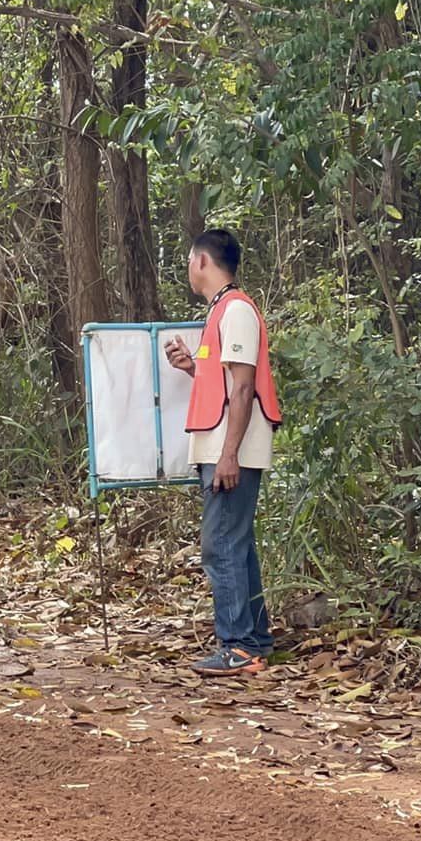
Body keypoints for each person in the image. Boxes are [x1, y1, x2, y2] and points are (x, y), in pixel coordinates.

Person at [164, 228, 283, 677]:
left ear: (201, 262)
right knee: (237, 543)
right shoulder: (223, 312)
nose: (188, 270)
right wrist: (192, 366)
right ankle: (255, 640)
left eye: (189, 262)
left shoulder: (236, 311)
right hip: (223, 445)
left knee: (221, 546)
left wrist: (229, 453)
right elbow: (224, 383)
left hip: (230, 449)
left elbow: (244, 386)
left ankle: (238, 647)